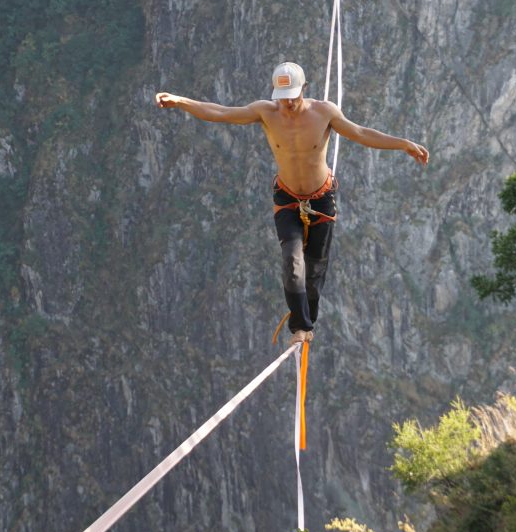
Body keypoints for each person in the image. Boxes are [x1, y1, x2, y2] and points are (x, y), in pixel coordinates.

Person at [156, 62, 429, 345]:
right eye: (283, 96)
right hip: (287, 198)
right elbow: (222, 113)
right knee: (292, 262)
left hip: (321, 197)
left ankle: (308, 318)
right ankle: (300, 327)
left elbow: (360, 133)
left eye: (293, 95)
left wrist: (403, 143)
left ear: (304, 90)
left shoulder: (324, 112)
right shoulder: (266, 112)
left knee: (315, 268)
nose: (287, 102)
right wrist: (181, 102)